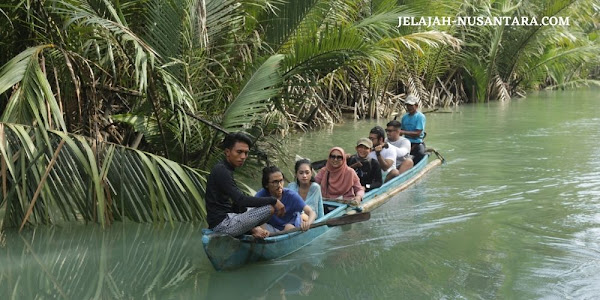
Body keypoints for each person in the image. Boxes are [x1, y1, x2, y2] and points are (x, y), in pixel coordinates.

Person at [205, 132, 285, 239]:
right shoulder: (221, 171)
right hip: (221, 225)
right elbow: (240, 200)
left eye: (246, 153)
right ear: (227, 152)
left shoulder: (225, 169)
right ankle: (253, 230)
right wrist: (273, 200)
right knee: (269, 209)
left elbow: (237, 205)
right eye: (239, 152)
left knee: (247, 208)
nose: (243, 157)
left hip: (227, 218)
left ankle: (253, 230)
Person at [256, 166, 317, 232]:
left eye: (281, 181)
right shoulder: (261, 195)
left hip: (291, 224)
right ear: (266, 185)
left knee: (289, 227)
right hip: (272, 227)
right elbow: (250, 215)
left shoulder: (291, 195)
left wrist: (308, 223)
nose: (279, 185)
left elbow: (312, 212)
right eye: (275, 182)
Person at [400, 95, 426, 164]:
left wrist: (402, 131)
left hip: (417, 142)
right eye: (408, 105)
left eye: (411, 105)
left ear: (416, 106)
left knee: (420, 154)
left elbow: (418, 133)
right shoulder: (404, 117)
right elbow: (401, 131)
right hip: (406, 142)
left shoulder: (420, 117)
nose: (409, 107)